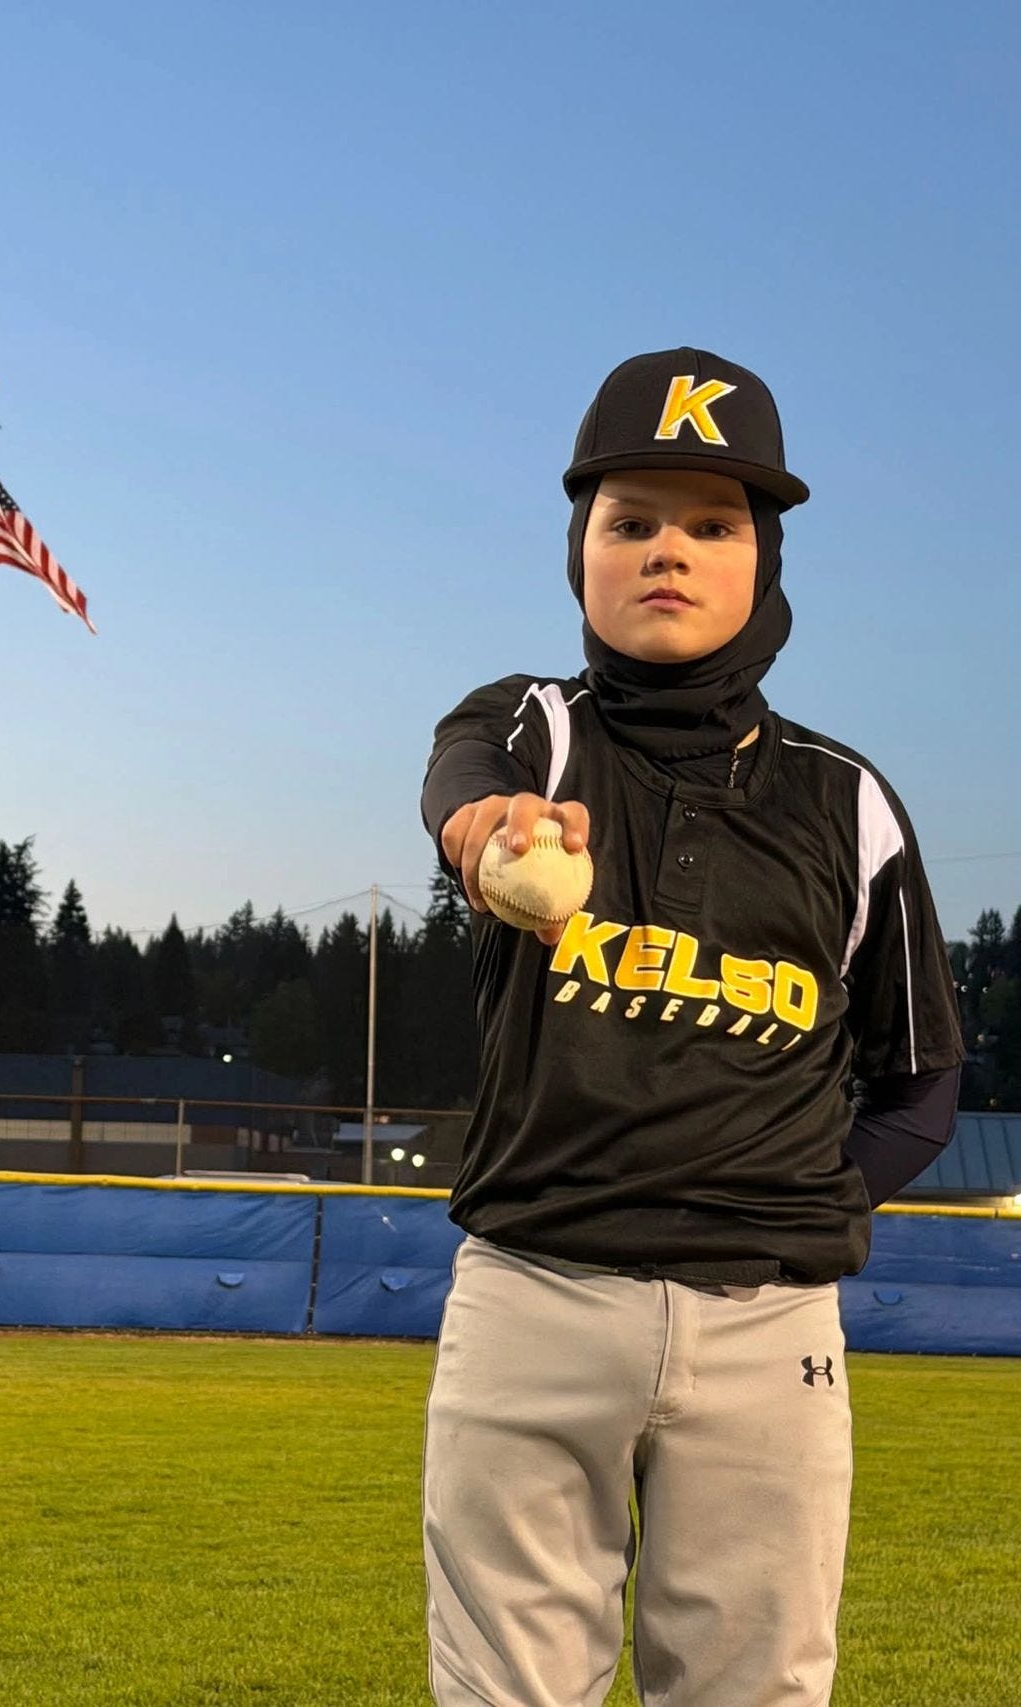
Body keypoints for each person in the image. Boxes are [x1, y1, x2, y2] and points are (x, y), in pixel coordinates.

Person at [418, 347, 965, 1707]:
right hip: (536, 1291)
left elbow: (921, 1086)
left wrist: (796, 1199)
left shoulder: (847, 802)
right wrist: (486, 832)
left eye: (714, 524)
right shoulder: (532, 732)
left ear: (765, 564)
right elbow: (465, 787)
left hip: (766, 1324)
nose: (669, 550)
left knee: (753, 1694)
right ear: (581, 551)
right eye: (631, 520)